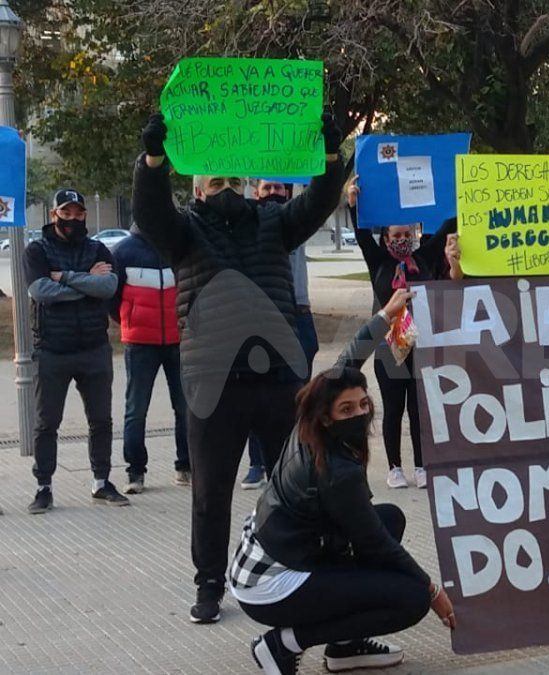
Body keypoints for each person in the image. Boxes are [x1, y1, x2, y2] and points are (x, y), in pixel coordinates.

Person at [133, 112, 345, 624]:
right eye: (215, 182)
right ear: (199, 191)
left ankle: (292, 567)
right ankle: (209, 584)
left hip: (278, 379)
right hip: (213, 386)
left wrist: (331, 157)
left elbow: (318, 202)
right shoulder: (183, 233)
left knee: (293, 480)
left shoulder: (275, 223)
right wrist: (153, 161)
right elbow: (151, 209)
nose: (226, 189)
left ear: (247, 185)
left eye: (233, 181)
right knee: (211, 491)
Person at [228, 287, 454, 675]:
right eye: (347, 409)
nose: (360, 413)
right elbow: (377, 546)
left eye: (363, 404)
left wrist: (385, 314)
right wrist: (433, 590)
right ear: (328, 417)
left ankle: (345, 648)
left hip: (284, 551)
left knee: (391, 517)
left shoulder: (309, 423)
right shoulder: (336, 472)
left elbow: (349, 360)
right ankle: (283, 644)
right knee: (409, 598)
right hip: (269, 583)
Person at [346, 176, 456, 489]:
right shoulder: (378, 261)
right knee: (393, 408)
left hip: (422, 344)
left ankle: (422, 466)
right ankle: (395, 467)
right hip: (388, 346)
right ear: (386, 237)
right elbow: (361, 233)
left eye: (408, 233)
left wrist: (457, 193)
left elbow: (449, 223)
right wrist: (353, 205)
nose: (403, 238)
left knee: (419, 408)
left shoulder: (424, 258)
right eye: (397, 234)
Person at [24, 189, 130, 513]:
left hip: (94, 349)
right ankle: (44, 487)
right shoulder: (36, 250)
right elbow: (42, 291)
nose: (73, 219)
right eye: (66, 213)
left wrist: (67, 277)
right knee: (46, 424)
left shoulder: (98, 248)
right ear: (54, 214)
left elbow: (108, 287)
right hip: (52, 350)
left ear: (85, 214)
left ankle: (101, 482)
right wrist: (86, 284)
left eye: (78, 213)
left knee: (101, 420)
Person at [242, 179, 321, 491]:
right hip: (259, 316)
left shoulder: (295, 222)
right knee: (254, 390)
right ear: (256, 191)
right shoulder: (247, 224)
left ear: (289, 192)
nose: (274, 192)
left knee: (298, 394)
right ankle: (256, 463)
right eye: (267, 187)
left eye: (280, 187)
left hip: (298, 313)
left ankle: (296, 460)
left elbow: (317, 201)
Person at [110, 225, 190, 494]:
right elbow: (112, 295)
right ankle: (135, 472)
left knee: (186, 407)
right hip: (140, 343)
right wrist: (128, 319)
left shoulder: (178, 245)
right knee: (136, 409)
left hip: (179, 341)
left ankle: (186, 466)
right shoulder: (123, 251)